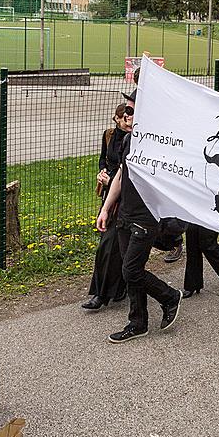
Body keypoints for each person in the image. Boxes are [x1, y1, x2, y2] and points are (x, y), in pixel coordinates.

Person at [97, 92, 182, 343]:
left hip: (147, 217)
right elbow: (121, 175)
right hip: (125, 213)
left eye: (132, 111)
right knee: (130, 270)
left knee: (131, 270)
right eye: (127, 111)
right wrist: (106, 208)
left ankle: (169, 296)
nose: (127, 115)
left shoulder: (160, 143)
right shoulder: (128, 140)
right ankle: (138, 322)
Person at [83, 102, 132, 311]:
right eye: (124, 117)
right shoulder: (110, 136)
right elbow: (104, 159)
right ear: (117, 119)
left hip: (125, 198)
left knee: (114, 244)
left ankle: (108, 291)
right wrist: (102, 172)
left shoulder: (135, 140)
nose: (127, 121)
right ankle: (103, 292)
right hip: (110, 197)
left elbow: (127, 173)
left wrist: (110, 180)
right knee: (108, 244)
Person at [181, 224, 219, 297]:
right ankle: (193, 283)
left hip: (210, 213)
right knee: (192, 244)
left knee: (207, 243)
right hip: (193, 213)